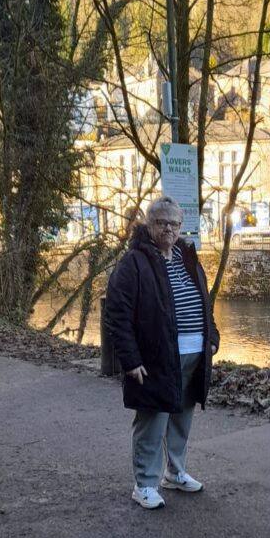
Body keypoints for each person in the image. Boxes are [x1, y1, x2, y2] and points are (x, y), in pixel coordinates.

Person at [105, 196, 220, 509]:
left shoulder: (188, 258)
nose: (168, 228)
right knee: (153, 421)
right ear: (148, 223)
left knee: (182, 417)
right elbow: (117, 313)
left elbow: (204, 303)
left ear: (181, 227)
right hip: (156, 358)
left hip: (193, 354)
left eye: (174, 223)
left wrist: (213, 337)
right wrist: (130, 359)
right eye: (161, 222)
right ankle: (144, 483)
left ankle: (176, 472)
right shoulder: (135, 262)